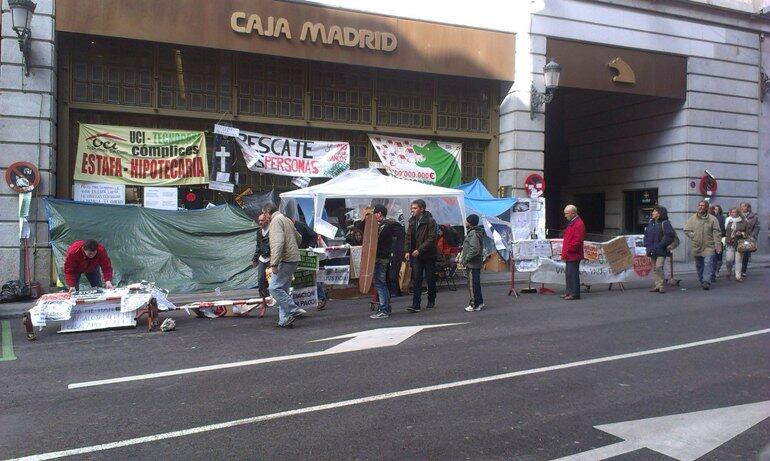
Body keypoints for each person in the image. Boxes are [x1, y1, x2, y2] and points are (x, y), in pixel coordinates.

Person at [262, 204, 306, 328]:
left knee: (274, 288)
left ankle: (293, 309)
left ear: (268, 212)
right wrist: (293, 249)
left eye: (264, 213)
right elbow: (299, 238)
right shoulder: (286, 219)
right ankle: (284, 320)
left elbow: (278, 243)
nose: (264, 217)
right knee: (283, 290)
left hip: (284, 259)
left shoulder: (275, 221)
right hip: (293, 258)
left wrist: (274, 263)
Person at [404, 199, 438, 312]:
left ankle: (431, 299)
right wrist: (407, 251)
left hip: (428, 254)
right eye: (412, 208)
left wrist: (420, 249)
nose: (412, 210)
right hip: (416, 255)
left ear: (422, 209)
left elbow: (432, 238)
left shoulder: (430, 221)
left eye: (415, 208)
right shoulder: (412, 221)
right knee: (417, 278)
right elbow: (408, 236)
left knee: (430, 278)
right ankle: (416, 304)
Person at [369, 205, 400, 319]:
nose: (374, 216)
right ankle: (386, 307)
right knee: (382, 283)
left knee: (380, 284)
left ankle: (384, 309)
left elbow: (377, 242)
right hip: (384, 258)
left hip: (381, 258)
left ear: (379, 213)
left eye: (375, 213)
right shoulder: (386, 225)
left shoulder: (384, 227)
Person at [684, 200, 722, 290]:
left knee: (708, 263)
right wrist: (693, 235)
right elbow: (686, 230)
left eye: (702, 205)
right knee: (699, 265)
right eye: (699, 205)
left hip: (709, 245)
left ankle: (706, 281)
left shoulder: (713, 219)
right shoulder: (693, 218)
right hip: (697, 245)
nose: (700, 207)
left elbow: (717, 233)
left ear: (706, 207)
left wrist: (718, 245)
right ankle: (702, 279)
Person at [294, 217, 327, 310]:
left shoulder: (300, 225)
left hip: (305, 253)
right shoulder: (286, 225)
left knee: (311, 276)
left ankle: (321, 297)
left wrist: (310, 247)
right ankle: (298, 302)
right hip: (294, 254)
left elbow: (314, 235)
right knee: (297, 278)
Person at [643, 206, 675, 293]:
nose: (652, 213)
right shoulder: (651, 223)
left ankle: (661, 286)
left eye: (654, 211)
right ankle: (657, 285)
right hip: (652, 249)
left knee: (659, 266)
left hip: (661, 249)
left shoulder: (665, 223)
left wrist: (661, 245)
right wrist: (646, 244)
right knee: (655, 268)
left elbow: (670, 235)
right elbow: (646, 235)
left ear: (659, 213)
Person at [459, 214, 485, 312]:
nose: (465, 222)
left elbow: (474, 249)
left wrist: (465, 259)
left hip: (472, 263)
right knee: (476, 284)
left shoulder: (473, 233)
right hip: (475, 263)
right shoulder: (475, 232)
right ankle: (480, 302)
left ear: (469, 223)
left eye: (466, 221)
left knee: (472, 285)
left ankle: (474, 305)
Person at [561, 205, 585, 300]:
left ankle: (574, 293)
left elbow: (577, 241)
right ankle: (569, 292)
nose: (565, 215)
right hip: (570, 253)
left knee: (573, 274)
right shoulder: (573, 222)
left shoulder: (578, 224)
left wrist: (568, 250)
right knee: (569, 274)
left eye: (567, 213)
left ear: (573, 213)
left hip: (573, 254)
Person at [724, 207, 748, 282]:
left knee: (738, 260)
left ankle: (738, 276)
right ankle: (729, 271)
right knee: (729, 259)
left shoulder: (744, 221)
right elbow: (724, 231)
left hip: (739, 243)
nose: (733, 213)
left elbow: (748, 233)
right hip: (729, 242)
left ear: (738, 213)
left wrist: (742, 233)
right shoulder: (728, 220)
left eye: (734, 212)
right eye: (732, 212)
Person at [250, 213, 270, 298]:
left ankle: (275, 298)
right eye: (259, 220)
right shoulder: (259, 232)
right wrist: (254, 259)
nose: (260, 222)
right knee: (260, 279)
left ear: (267, 220)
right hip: (263, 258)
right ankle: (263, 299)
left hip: (272, 257)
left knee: (272, 279)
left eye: (262, 220)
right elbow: (258, 246)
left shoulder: (272, 230)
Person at [738, 202, 759, 278]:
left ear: (748, 207)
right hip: (739, 237)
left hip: (748, 237)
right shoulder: (738, 215)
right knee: (738, 253)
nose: (742, 207)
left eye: (744, 206)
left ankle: (743, 270)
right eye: (741, 206)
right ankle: (738, 269)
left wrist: (753, 235)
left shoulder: (753, 216)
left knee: (746, 253)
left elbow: (757, 227)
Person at [709, 204, 726, 281]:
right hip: (709, 240)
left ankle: (716, 271)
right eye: (713, 209)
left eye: (716, 209)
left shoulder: (721, 218)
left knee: (718, 257)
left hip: (719, 239)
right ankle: (712, 273)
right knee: (712, 258)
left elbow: (722, 229)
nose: (714, 210)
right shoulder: (708, 217)